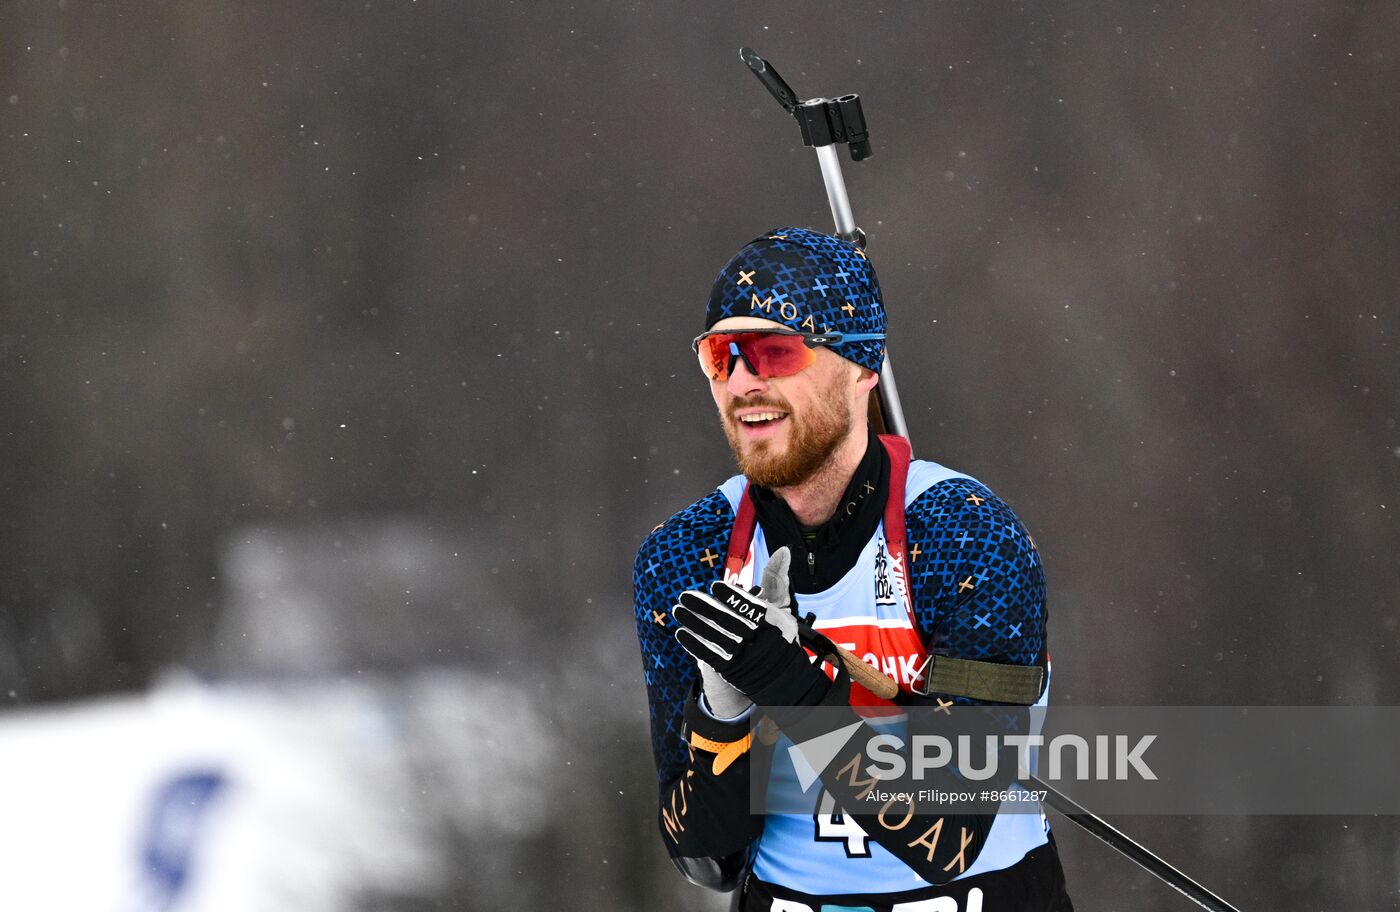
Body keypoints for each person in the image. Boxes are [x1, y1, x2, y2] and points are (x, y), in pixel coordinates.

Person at [632, 227, 1073, 911]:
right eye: (723, 355)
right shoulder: (687, 554)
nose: (745, 382)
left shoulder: (967, 535)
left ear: (863, 369)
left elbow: (949, 828)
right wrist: (723, 717)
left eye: (777, 351)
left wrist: (784, 681)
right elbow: (704, 860)